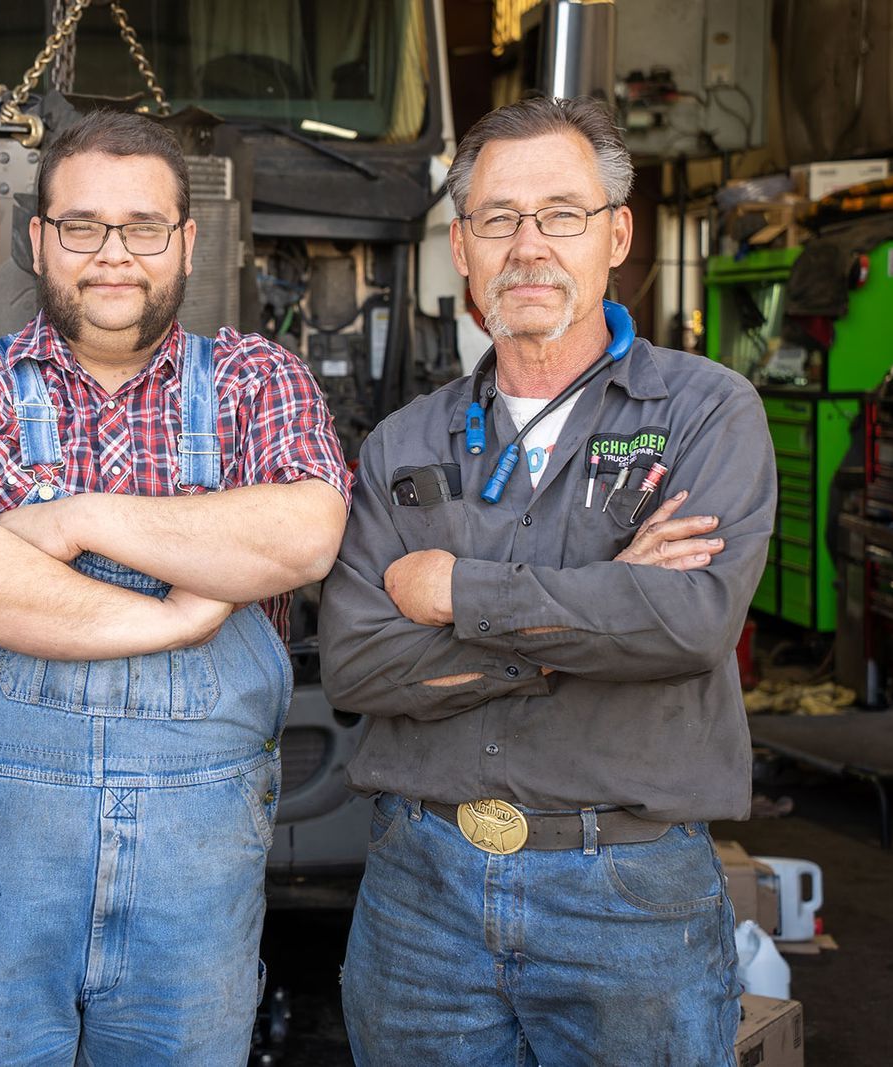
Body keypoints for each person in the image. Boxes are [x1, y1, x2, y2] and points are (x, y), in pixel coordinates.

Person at [0, 109, 350, 1065]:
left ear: (187, 240)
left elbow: (305, 532)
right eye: (82, 226)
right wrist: (175, 615)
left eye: (142, 228)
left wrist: (78, 519)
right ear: (39, 239)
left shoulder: (260, 379)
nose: (112, 255)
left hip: (194, 881)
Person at [319, 95, 776, 1066]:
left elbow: (688, 622)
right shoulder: (403, 441)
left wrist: (458, 592)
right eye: (497, 218)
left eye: (561, 213)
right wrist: (597, 614)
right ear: (464, 250)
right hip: (419, 890)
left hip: (628, 894)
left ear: (615, 234)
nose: (529, 244)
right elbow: (356, 665)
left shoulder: (704, 411)